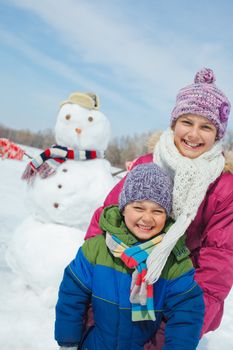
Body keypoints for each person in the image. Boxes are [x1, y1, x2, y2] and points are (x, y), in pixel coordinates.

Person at [84, 68, 233, 348]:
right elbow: (106, 222)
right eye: (187, 121)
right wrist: (92, 297)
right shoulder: (147, 164)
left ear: (217, 134)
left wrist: (174, 333)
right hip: (118, 288)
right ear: (174, 123)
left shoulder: (224, 188)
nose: (193, 134)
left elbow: (216, 269)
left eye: (206, 126)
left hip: (177, 302)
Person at [55, 163, 204, 350]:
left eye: (157, 211)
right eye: (139, 208)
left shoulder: (173, 261)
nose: (147, 218)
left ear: (166, 216)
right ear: (123, 208)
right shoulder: (97, 249)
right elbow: (72, 293)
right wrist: (68, 340)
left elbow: (187, 313)